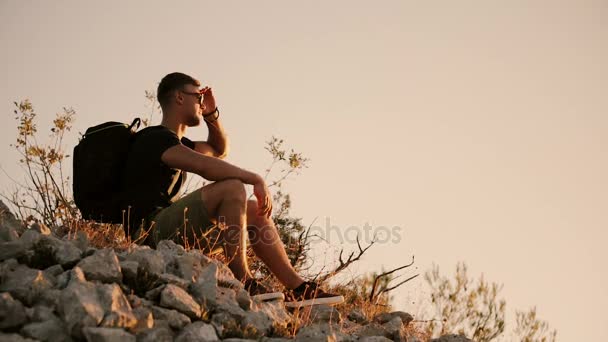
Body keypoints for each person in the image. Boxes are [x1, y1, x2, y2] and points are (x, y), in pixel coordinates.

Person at [120, 72, 343, 307]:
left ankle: (299, 289)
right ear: (178, 97)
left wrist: (211, 115)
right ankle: (244, 280)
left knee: (255, 211)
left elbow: (218, 149)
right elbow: (204, 165)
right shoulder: (155, 138)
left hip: (171, 237)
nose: (201, 102)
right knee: (233, 188)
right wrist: (255, 178)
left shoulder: (180, 143)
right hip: (148, 234)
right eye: (198, 97)